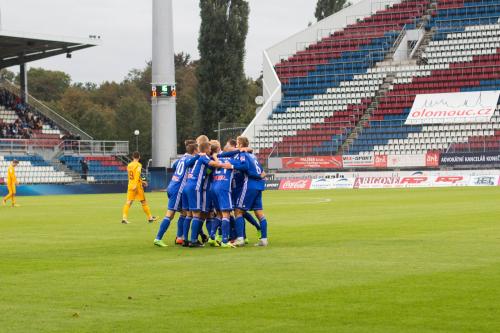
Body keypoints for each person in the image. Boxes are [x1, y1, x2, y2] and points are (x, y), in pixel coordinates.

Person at [183, 141, 232, 247]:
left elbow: (187, 164)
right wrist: (225, 164)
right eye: (209, 149)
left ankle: (186, 239)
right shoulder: (204, 157)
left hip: (187, 185)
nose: (210, 150)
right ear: (205, 149)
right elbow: (214, 165)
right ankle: (194, 240)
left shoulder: (197, 157)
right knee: (197, 214)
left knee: (191, 214)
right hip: (195, 187)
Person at [153, 143, 199, 247]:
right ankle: (158, 238)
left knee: (183, 213)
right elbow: (191, 162)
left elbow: (174, 166)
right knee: (170, 214)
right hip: (177, 189)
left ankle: (179, 237)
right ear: (195, 151)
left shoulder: (181, 158)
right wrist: (200, 155)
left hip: (172, 185)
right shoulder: (190, 159)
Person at [231, 136, 269, 246]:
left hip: (249, 185)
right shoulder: (253, 156)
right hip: (259, 185)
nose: (236, 145)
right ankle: (264, 239)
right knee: (259, 213)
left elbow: (245, 167)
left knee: (238, 211)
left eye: (237, 143)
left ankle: (240, 239)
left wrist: (232, 165)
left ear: (241, 144)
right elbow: (263, 173)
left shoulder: (243, 154)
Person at [121, 151, 157, 224]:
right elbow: (137, 174)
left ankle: (124, 218)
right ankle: (150, 218)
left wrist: (142, 181)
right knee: (143, 202)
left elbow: (131, 176)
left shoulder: (129, 165)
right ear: (139, 157)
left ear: (132, 157)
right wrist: (137, 184)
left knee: (128, 202)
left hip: (130, 185)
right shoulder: (138, 165)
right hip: (136, 186)